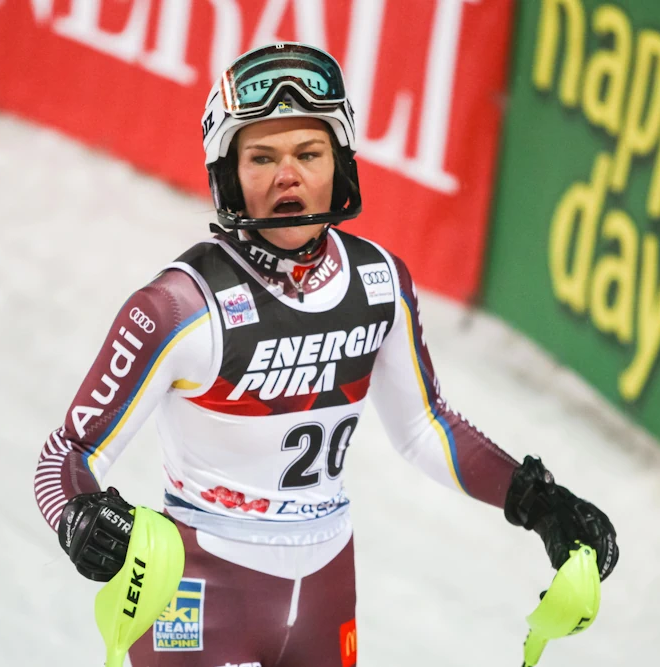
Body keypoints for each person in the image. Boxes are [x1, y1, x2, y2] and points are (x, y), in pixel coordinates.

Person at [34, 42, 618, 667]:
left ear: (339, 165)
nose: (288, 176)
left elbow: (425, 427)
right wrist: (79, 515)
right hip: (200, 589)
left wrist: (534, 500)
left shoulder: (380, 283)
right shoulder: (179, 306)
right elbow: (65, 454)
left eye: (309, 154)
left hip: (325, 588)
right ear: (229, 176)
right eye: (262, 158)